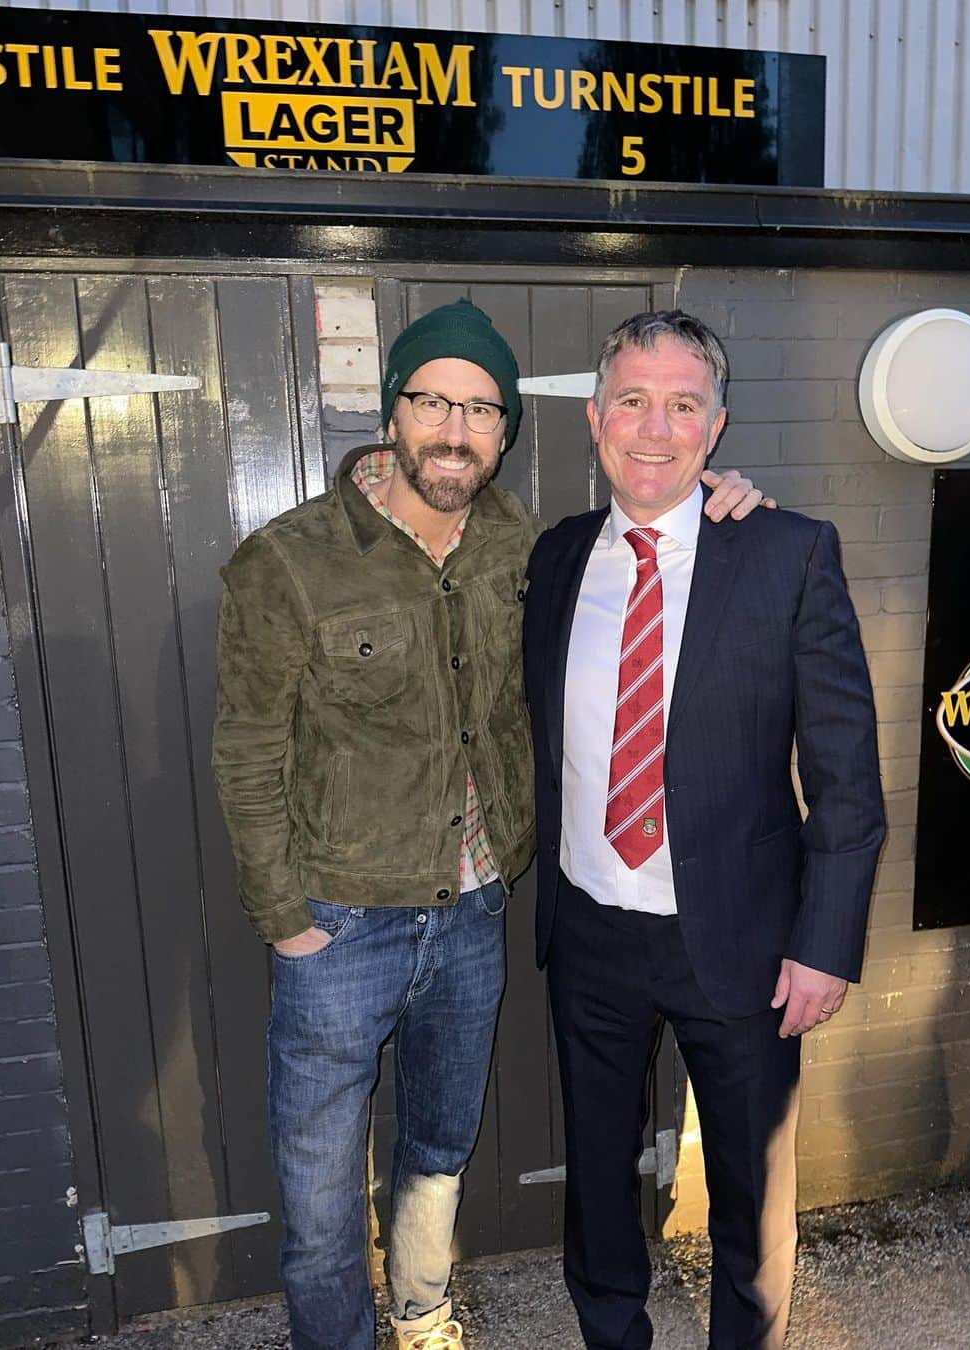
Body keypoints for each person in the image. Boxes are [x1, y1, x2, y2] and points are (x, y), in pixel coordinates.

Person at [212, 299, 769, 1350]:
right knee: (322, 1190)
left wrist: (726, 497)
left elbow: (658, 537)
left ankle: (423, 1312)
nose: (455, 429)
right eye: (432, 401)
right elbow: (246, 749)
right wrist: (286, 918)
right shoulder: (289, 561)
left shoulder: (527, 544)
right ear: (393, 414)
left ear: (505, 433)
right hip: (340, 923)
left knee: (438, 1143)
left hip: (472, 913)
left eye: (479, 409)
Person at [523, 309, 886, 1349]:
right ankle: (610, 1331)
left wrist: (826, 944)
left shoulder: (786, 554)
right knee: (598, 1173)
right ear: (596, 418)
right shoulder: (554, 561)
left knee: (750, 1186)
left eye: (682, 405)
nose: (654, 428)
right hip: (590, 931)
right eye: (631, 400)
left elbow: (846, 778)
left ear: (715, 427)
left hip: (741, 938)